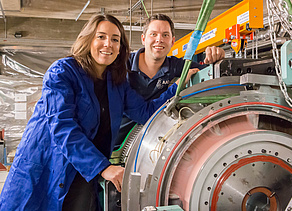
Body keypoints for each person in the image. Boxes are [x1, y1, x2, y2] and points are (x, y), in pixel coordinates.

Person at [0, 14, 193, 211]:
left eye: (115, 39)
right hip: (48, 166)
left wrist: (176, 88)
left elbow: (145, 112)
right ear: (88, 39)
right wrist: (103, 167)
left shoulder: (117, 82)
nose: (108, 44)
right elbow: (62, 126)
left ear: (121, 48)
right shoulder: (62, 72)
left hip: (84, 171)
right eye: (101, 37)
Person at [115, 14, 225, 147]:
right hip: (117, 144)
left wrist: (216, 58)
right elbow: (145, 114)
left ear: (172, 41)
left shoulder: (175, 66)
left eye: (165, 35)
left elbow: (212, 72)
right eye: (153, 34)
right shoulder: (122, 67)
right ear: (143, 39)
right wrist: (175, 88)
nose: (159, 40)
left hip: (151, 140)